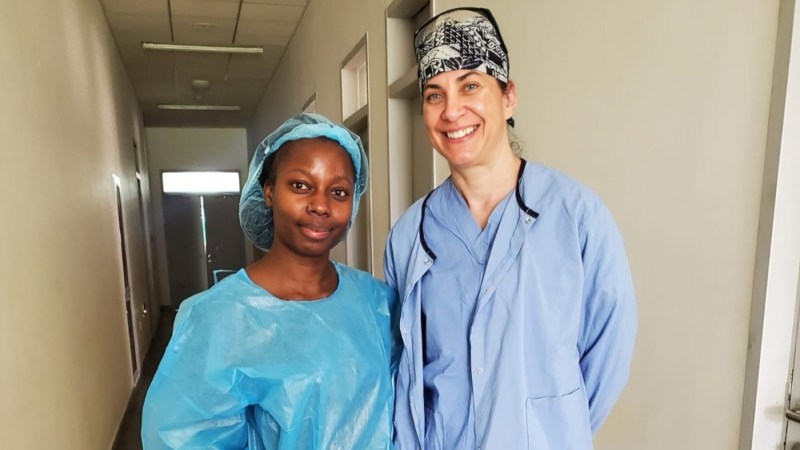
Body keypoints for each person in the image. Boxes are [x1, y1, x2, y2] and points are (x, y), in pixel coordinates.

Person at [385, 8, 638, 450]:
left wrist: (551, 425)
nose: (452, 111)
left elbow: (607, 357)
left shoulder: (576, 216)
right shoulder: (411, 235)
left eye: (470, 86)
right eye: (434, 94)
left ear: (508, 97)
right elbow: (403, 372)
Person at [141, 113, 398, 450]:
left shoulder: (377, 303)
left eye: (338, 191)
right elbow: (180, 438)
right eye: (301, 185)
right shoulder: (217, 319)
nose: (320, 205)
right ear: (268, 192)